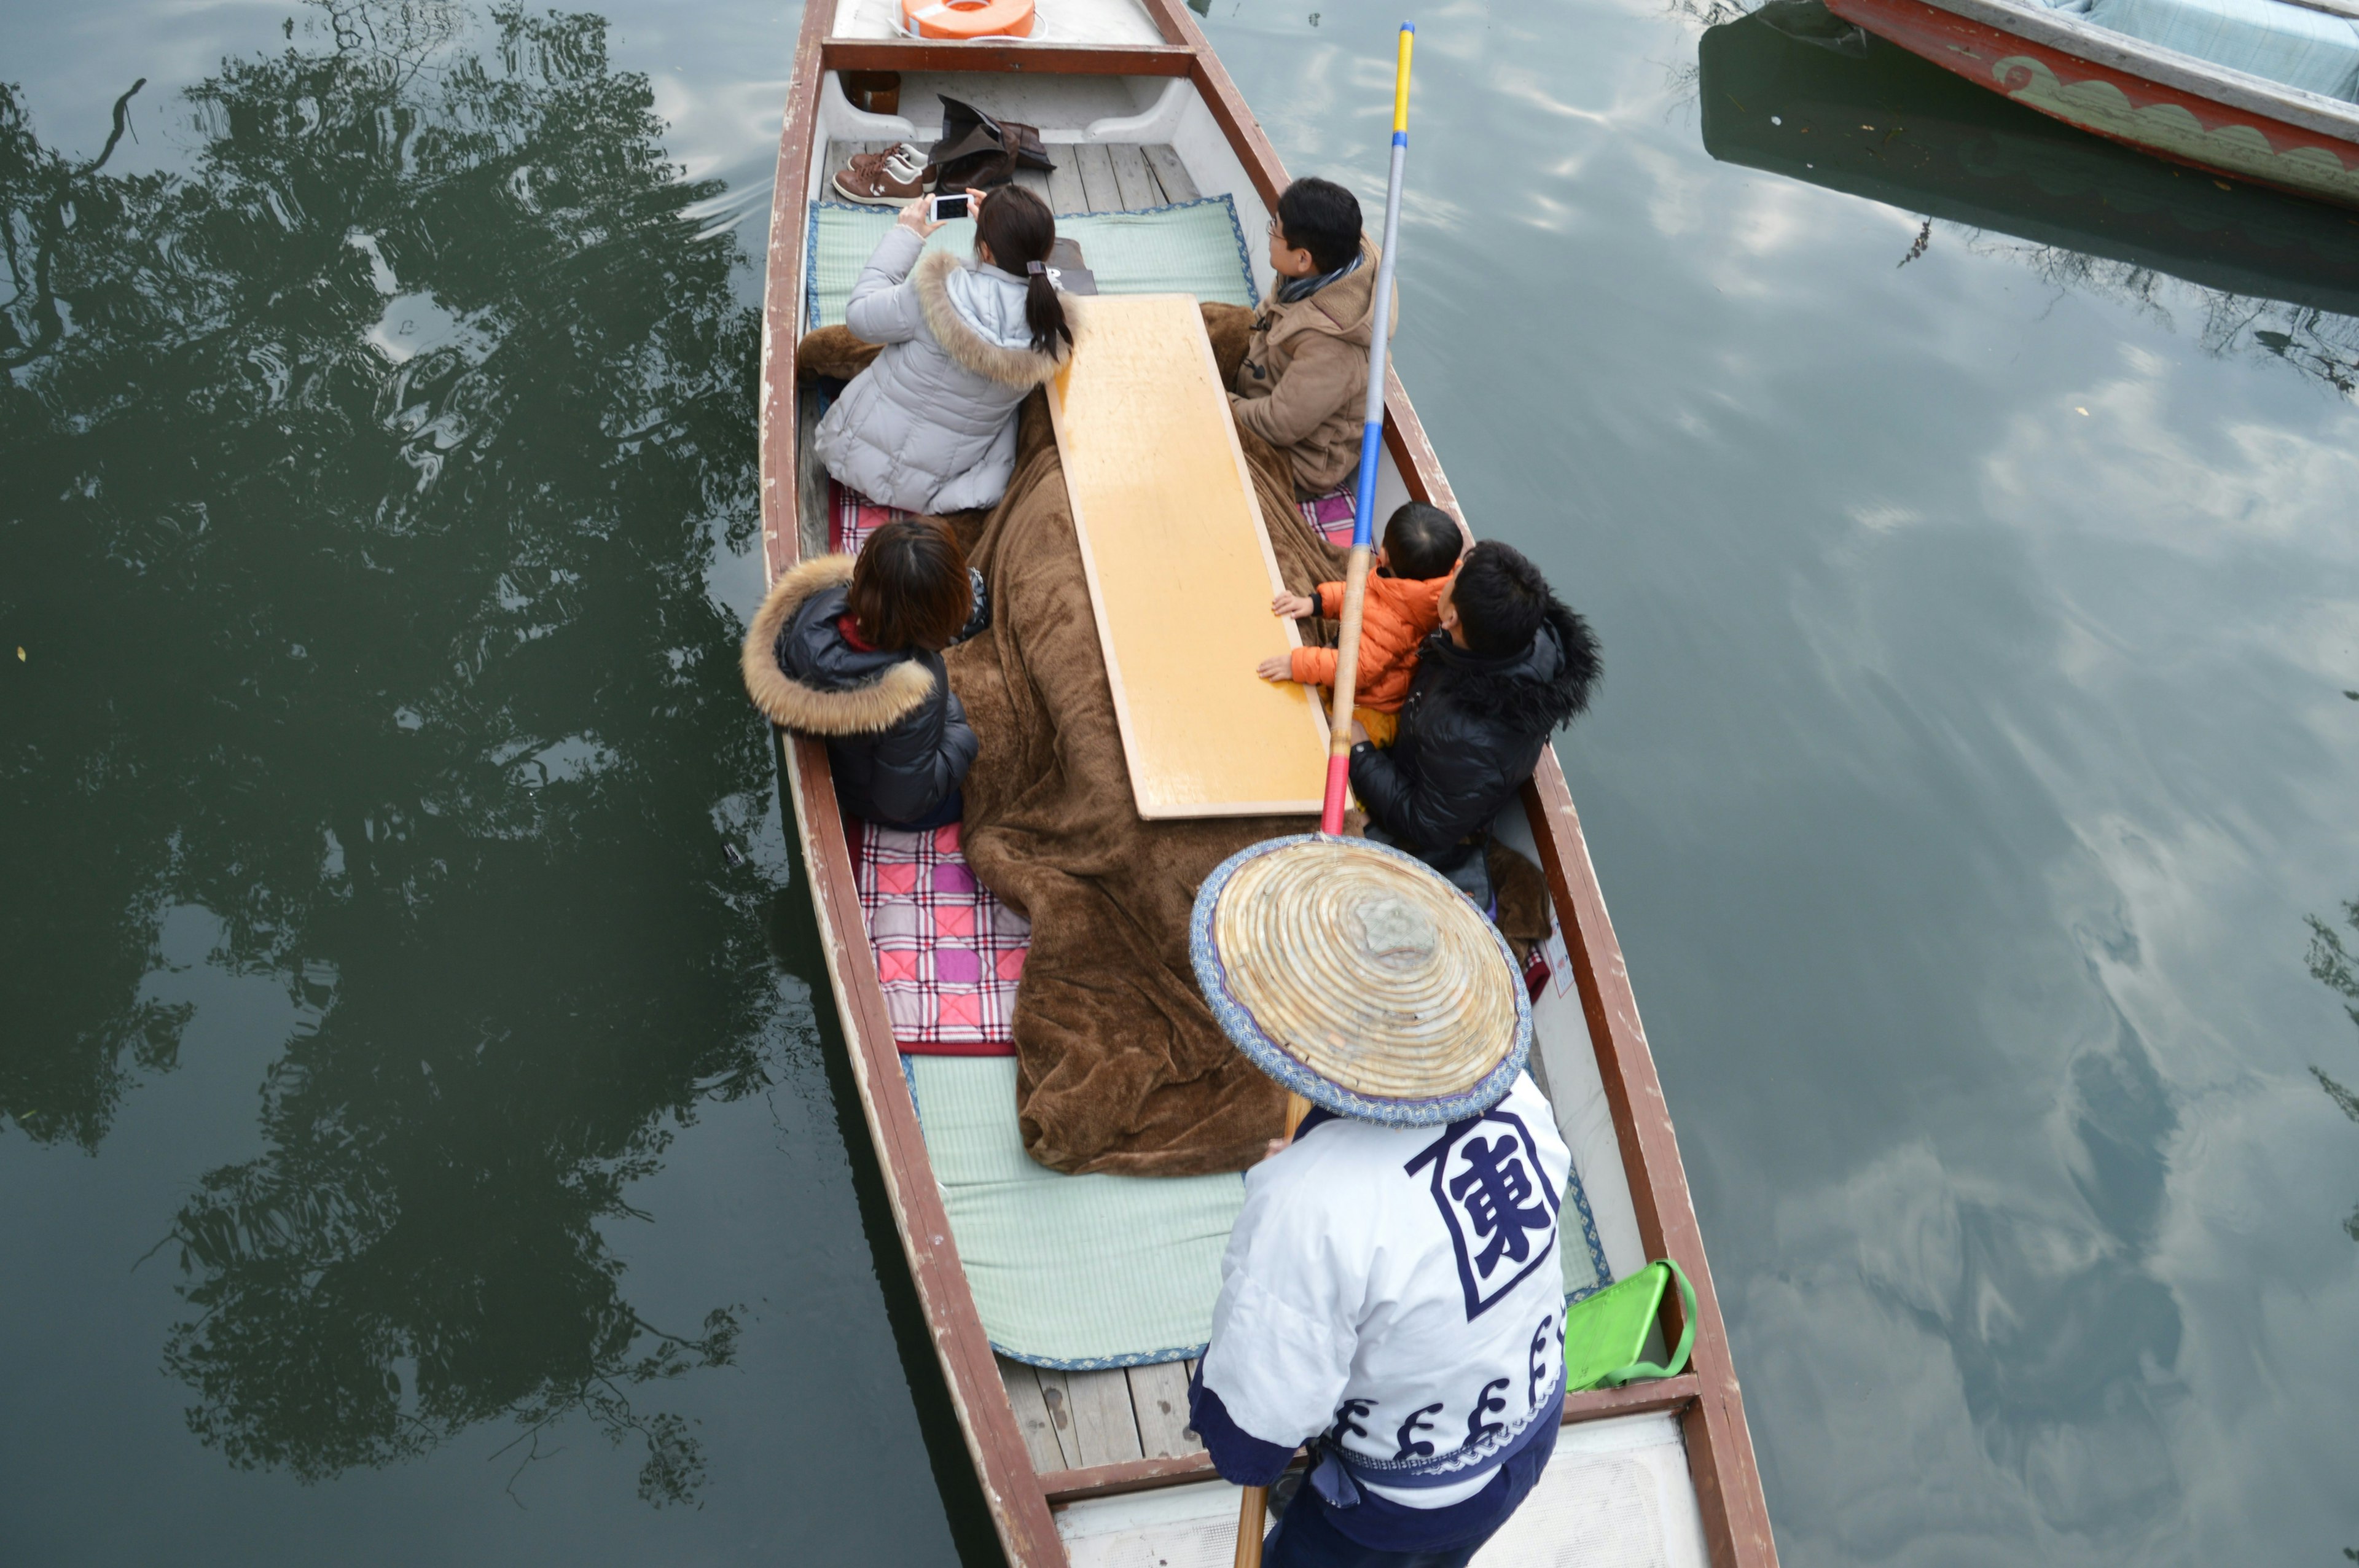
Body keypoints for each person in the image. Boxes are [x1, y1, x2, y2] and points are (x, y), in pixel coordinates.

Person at [1187, 841, 1571, 1568]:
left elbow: (1249, 1434)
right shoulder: (1517, 1093)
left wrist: (1219, 1401)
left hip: (1404, 1506)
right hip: (1534, 1420)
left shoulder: (1310, 1205)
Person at [1348, 541, 1600, 909]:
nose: (1447, 575)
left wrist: (1360, 752)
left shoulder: (1468, 736)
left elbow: (1424, 823)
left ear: (1451, 620)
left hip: (1425, 808)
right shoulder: (1520, 631)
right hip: (1434, 758)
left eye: (1453, 576)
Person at [812, 184, 1073, 514]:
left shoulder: (936, 293)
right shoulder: (1052, 327)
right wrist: (1000, 233)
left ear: (986, 250)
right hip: (932, 491)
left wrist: (905, 236)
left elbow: (860, 317)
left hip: (849, 458)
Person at [740, 517, 987, 831]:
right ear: (930, 625)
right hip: (872, 800)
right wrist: (959, 736)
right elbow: (903, 803)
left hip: (855, 759)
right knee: (973, 797)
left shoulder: (819, 606)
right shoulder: (916, 696)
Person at [1231, 177, 1396, 498]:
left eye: (1273, 231)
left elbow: (1278, 424)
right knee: (1209, 322)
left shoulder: (1334, 346)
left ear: (1303, 258)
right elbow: (1267, 313)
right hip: (1264, 379)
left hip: (1294, 458)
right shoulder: (1324, 261)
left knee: (1193, 437)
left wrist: (1220, 404)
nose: (1269, 238)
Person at [1256, 501, 1461, 747]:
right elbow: (1362, 595)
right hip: (1361, 668)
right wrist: (1317, 603)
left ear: (1383, 556)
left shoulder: (1396, 621)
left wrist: (1298, 664)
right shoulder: (1426, 584)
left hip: (1371, 707)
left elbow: (1358, 670)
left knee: (1312, 729)